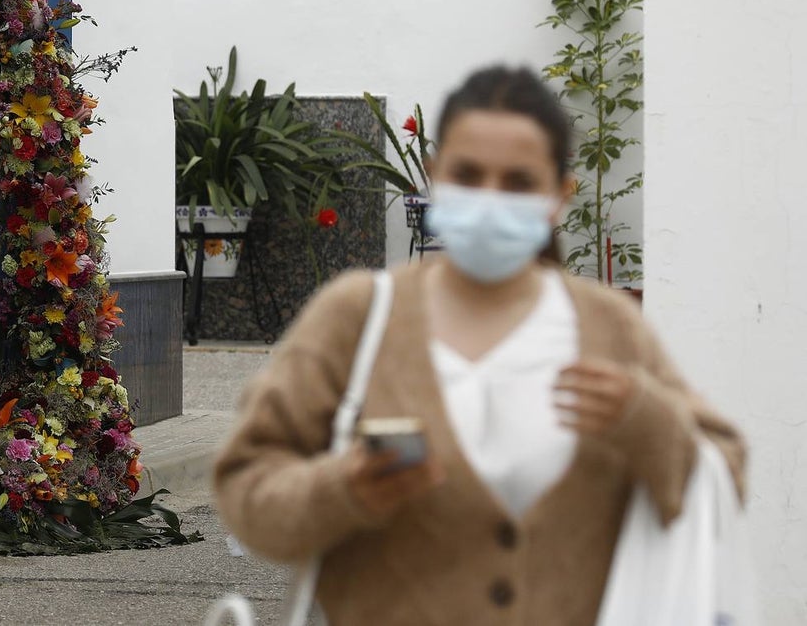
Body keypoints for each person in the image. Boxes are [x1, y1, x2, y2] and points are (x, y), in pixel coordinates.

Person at [212, 66, 746, 625]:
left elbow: (724, 470)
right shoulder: (359, 315)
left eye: (518, 182)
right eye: (468, 175)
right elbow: (247, 483)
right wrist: (341, 490)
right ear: (435, 174)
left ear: (560, 193)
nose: (491, 200)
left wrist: (647, 419)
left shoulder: (608, 326)